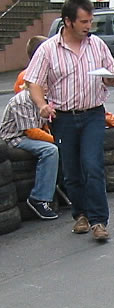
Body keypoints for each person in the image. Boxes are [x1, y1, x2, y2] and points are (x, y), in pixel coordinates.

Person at [25, 0, 114, 240]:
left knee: (93, 165)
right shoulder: (48, 50)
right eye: (84, 22)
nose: (89, 26)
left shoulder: (97, 45)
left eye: (90, 21)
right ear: (68, 21)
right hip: (64, 117)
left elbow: (111, 74)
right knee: (72, 170)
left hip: (93, 114)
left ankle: (99, 221)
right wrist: (42, 105)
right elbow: (33, 82)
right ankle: (81, 215)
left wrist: (110, 78)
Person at [1, 88, 58, 220]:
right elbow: (32, 132)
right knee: (50, 150)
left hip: (31, 134)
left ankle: (63, 187)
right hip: (16, 137)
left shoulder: (46, 99)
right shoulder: (21, 101)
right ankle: (38, 198)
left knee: (66, 145)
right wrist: (56, 140)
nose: (47, 87)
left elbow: (44, 125)